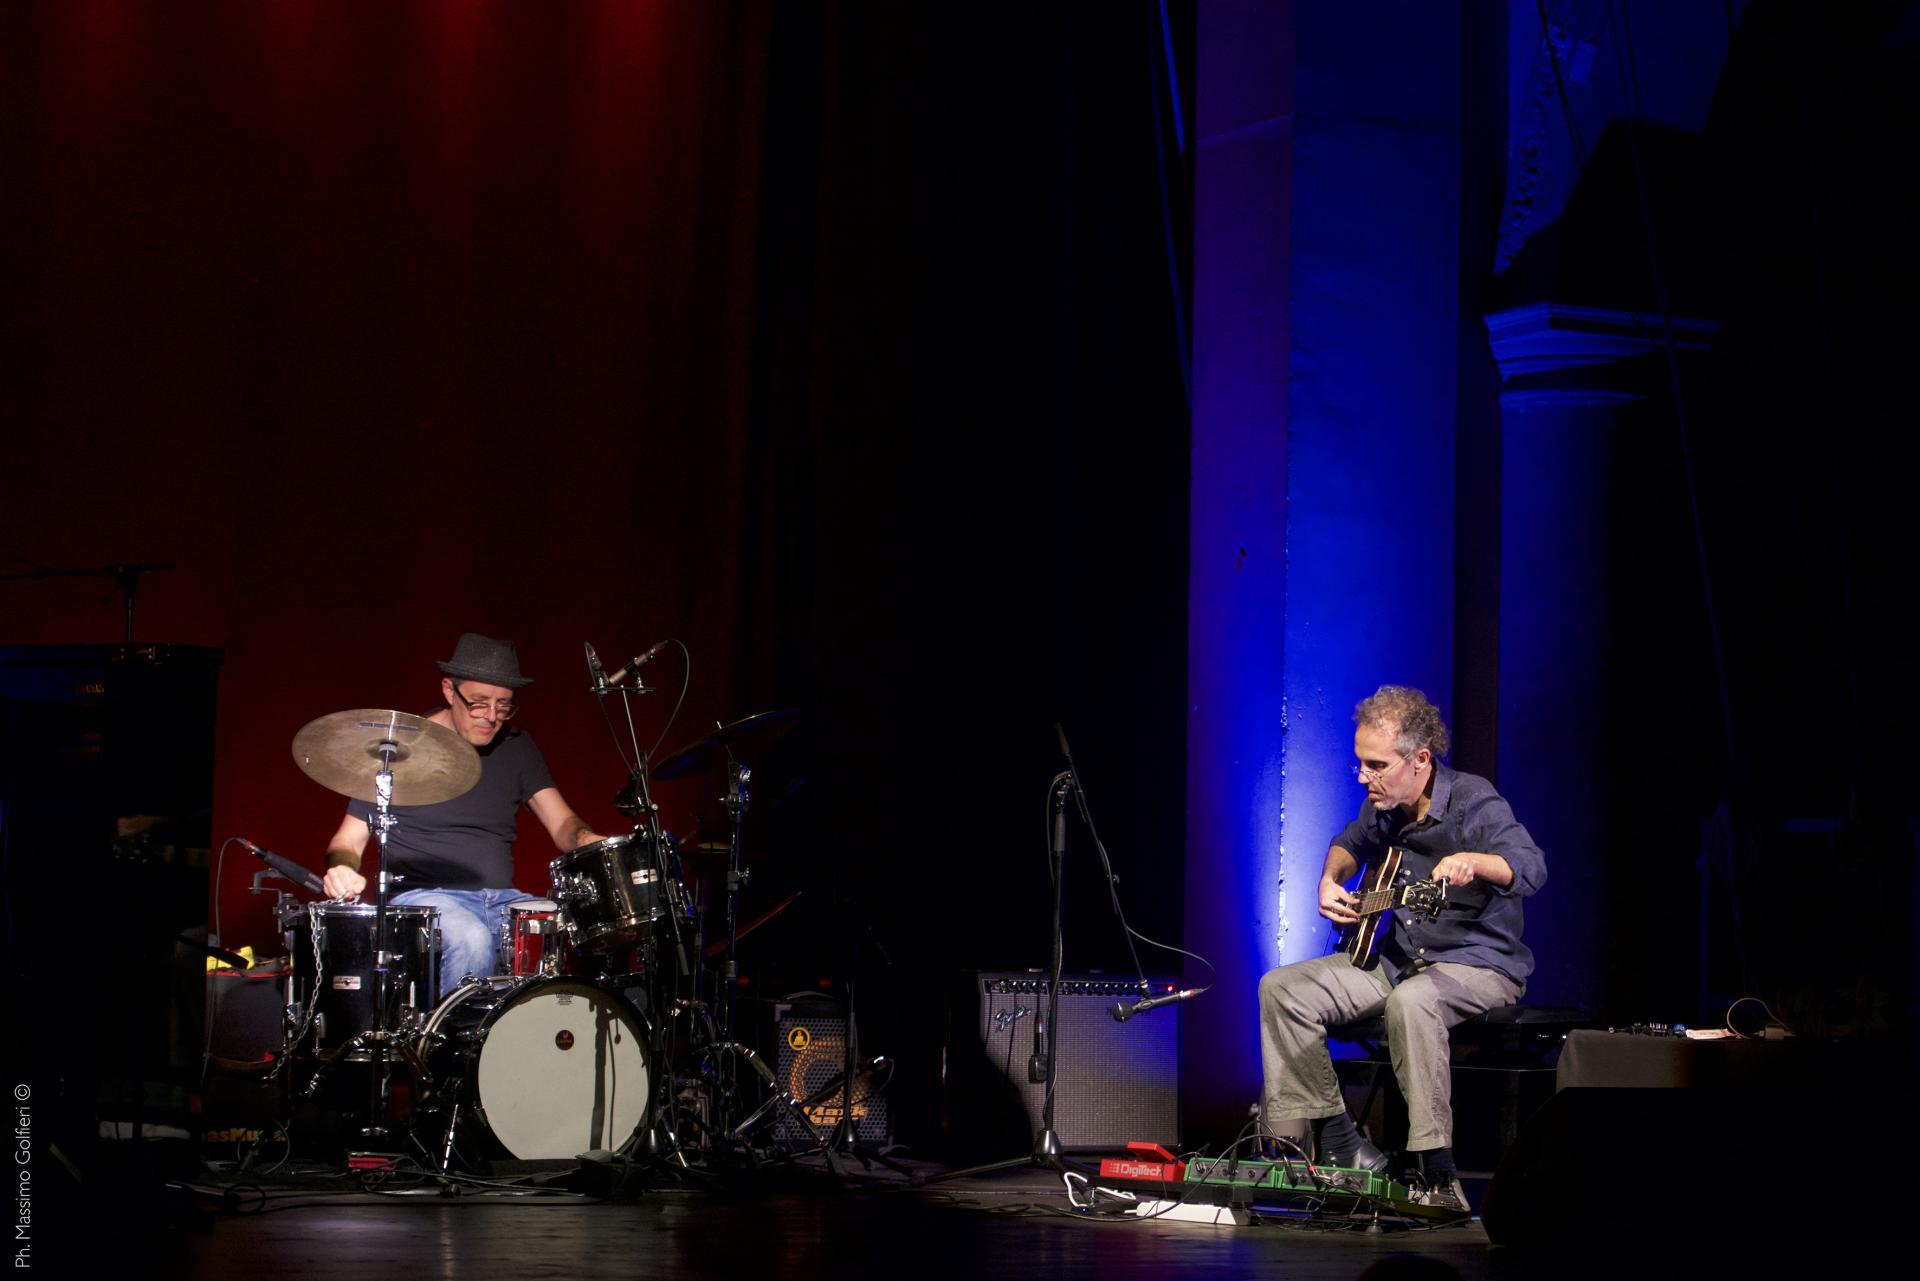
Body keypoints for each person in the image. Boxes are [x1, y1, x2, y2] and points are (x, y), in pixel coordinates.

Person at [1257, 685, 1546, 1212]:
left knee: (1411, 1002)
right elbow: (1347, 844)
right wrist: (1328, 882)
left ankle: (1436, 1174)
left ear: (1420, 760)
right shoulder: (1385, 809)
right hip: (1399, 961)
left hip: (1479, 964)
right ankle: (1342, 1142)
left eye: (1376, 765)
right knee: (1282, 988)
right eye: (1360, 764)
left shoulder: (1474, 800)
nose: (1364, 777)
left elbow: (1529, 867)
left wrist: (1475, 862)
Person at [319, 633, 604, 992]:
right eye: (479, 703)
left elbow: (562, 821)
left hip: (502, 898)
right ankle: (454, 1047)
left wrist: (587, 840)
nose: (491, 717)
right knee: (471, 939)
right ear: (449, 691)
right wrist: (342, 867)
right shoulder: (400, 748)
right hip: (424, 900)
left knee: (566, 932)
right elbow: (349, 838)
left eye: (504, 706)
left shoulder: (517, 748)